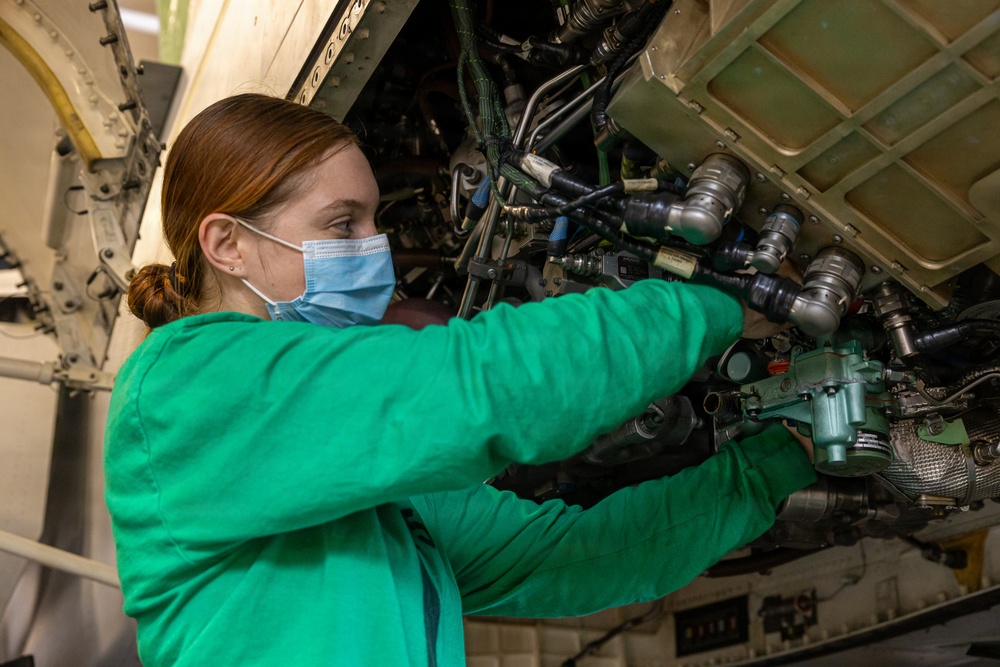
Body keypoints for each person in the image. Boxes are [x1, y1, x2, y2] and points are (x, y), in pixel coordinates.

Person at [104, 93, 816, 667]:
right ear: (228, 245)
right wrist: (720, 303)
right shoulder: (181, 388)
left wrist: (779, 460)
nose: (374, 249)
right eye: (341, 224)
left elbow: (576, 557)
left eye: (374, 219)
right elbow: (487, 384)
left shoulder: (364, 486)